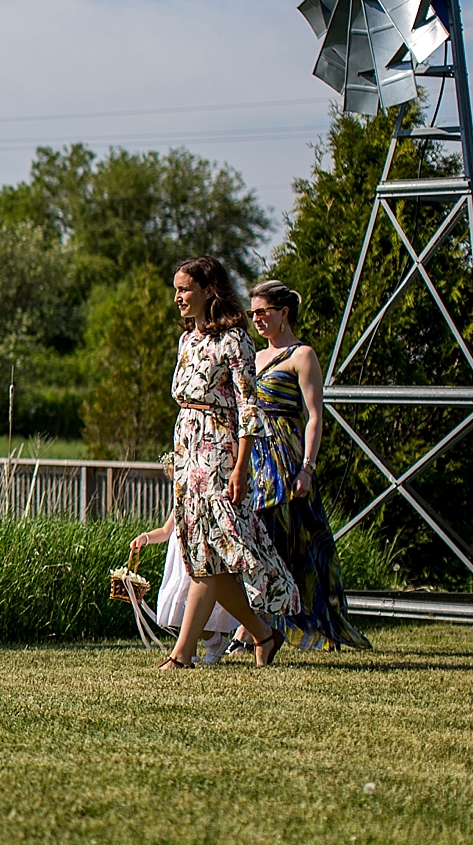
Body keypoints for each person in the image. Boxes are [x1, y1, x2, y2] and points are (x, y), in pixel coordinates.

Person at [160, 257, 299, 669]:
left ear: (208, 290)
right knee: (204, 556)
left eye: (185, 289)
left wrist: (241, 465)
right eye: (176, 289)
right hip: (189, 447)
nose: (179, 297)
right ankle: (262, 634)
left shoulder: (234, 340)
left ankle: (182, 655)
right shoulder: (188, 341)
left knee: (215, 550)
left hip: (220, 452)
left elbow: (248, 406)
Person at [248, 279, 370, 651]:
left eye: (263, 312)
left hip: (285, 457)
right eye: (252, 313)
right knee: (259, 540)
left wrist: (307, 468)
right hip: (256, 456)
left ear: (283, 313)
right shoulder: (255, 358)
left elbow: (314, 416)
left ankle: (293, 623)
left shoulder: (302, 355)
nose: (257, 320)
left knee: (290, 539)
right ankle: (257, 628)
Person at [131, 462, 237, 662]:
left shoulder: (199, 503)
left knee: (197, 607)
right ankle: (191, 651)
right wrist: (144, 538)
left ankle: (214, 641)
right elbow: (165, 531)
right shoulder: (180, 504)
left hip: (195, 558)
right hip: (179, 563)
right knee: (178, 609)